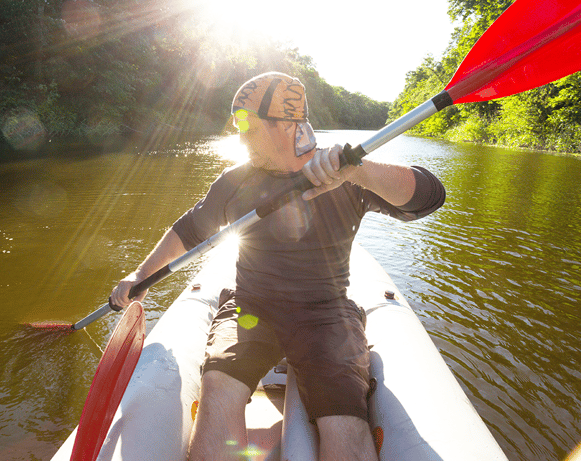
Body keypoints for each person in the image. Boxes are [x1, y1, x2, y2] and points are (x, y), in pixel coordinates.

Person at [111, 71, 446, 461]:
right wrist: (141, 274)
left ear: (287, 125)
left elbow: (429, 197)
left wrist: (359, 171)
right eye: (236, 124)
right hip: (251, 308)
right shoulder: (235, 181)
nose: (240, 136)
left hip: (327, 314)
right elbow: (189, 229)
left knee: (344, 421)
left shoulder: (345, 175)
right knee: (218, 385)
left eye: (247, 124)